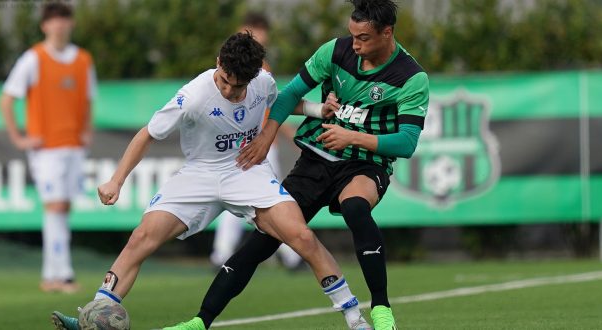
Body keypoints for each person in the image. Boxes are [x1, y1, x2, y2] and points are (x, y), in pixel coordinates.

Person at [50, 32, 370, 330]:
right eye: (226, 82)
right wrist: (116, 181)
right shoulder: (192, 97)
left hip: (246, 171)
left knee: (301, 236)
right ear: (219, 62)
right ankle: (94, 315)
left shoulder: (262, 82)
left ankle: (355, 318)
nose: (231, 91)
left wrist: (317, 108)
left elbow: (282, 101)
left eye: (239, 86)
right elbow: (147, 135)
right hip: (199, 173)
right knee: (141, 238)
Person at [178, 0, 429, 329]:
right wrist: (266, 137)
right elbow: (287, 95)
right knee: (263, 240)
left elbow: (407, 142)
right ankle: (201, 320)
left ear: (387, 33)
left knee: (355, 207)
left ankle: (381, 310)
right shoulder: (334, 51)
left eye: (363, 38)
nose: (354, 44)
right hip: (315, 160)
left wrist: (351, 138)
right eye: (352, 35)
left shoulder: (411, 77)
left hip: (365, 164)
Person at [0, 2, 97, 294]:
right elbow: (7, 99)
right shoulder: (33, 58)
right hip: (47, 149)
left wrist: (86, 132)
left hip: (74, 147)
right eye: (54, 21)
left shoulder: (82, 59)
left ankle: (50, 274)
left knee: (62, 208)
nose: (59, 25)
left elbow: (89, 99)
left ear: (71, 24)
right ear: (44, 25)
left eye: (64, 19)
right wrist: (19, 137)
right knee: (54, 206)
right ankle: (64, 274)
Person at [210, 12, 302, 271]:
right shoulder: (244, 66)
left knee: (258, 202)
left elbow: (274, 107)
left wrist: (289, 133)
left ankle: (221, 254)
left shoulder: (259, 67)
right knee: (273, 201)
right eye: (252, 31)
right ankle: (290, 256)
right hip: (254, 146)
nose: (258, 36)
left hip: (260, 143)